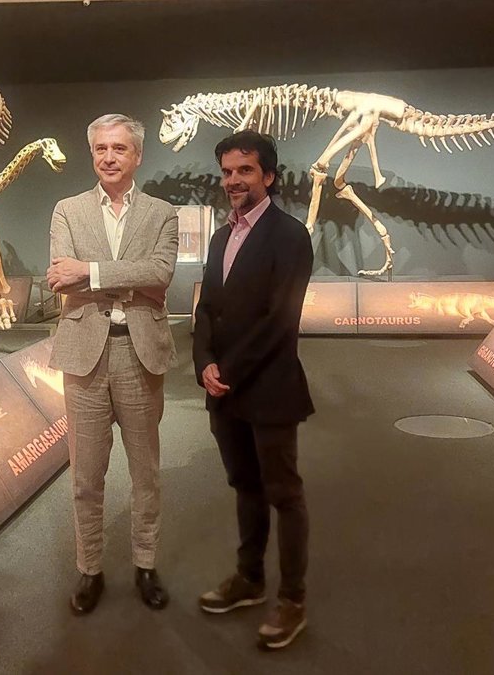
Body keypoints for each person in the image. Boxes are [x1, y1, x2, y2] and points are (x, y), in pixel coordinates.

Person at [47, 113, 179, 615]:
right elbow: (60, 278)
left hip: (139, 352)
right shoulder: (67, 210)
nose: (109, 157)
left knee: (146, 472)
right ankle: (90, 568)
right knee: (86, 476)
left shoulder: (162, 213)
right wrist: (127, 278)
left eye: (119, 148)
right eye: (101, 148)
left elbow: (161, 274)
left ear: (137, 155)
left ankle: (146, 564)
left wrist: (91, 271)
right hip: (84, 355)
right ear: (92, 153)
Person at [192, 130, 314, 650]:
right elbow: (206, 307)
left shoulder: (290, 236)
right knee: (245, 485)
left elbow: (280, 320)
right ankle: (249, 578)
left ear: (268, 175)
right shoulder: (221, 237)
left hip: (268, 388)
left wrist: (229, 370)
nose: (233, 180)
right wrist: (204, 362)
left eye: (244, 170)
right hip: (225, 389)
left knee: (283, 492)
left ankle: (292, 600)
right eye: (227, 172)